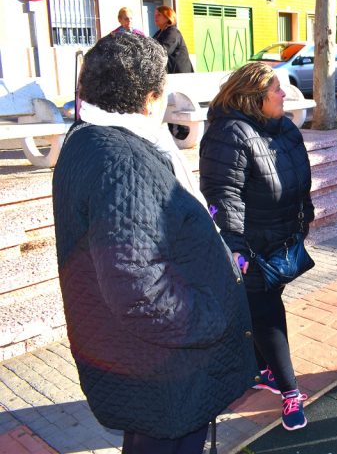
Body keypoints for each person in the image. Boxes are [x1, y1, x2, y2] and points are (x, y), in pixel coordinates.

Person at [51, 33, 256, 453]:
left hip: (143, 361)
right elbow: (138, 288)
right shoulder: (124, 161)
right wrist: (213, 317)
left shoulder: (89, 137)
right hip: (165, 368)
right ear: (149, 99)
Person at [198, 62, 314, 431]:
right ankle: (290, 391)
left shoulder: (284, 128)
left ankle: (259, 369)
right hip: (251, 246)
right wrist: (237, 248)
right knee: (267, 315)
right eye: (276, 89)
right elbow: (223, 194)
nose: (284, 94)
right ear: (253, 97)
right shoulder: (228, 134)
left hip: (281, 238)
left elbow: (301, 176)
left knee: (258, 308)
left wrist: (304, 217)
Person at [153, 5, 193, 140]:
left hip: (180, 75)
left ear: (167, 16)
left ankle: (182, 131)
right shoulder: (159, 33)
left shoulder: (172, 32)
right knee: (169, 103)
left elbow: (163, 50)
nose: (155, 17)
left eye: (158, 15)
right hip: (169, 76)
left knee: (179, 103)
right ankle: (173, 130)